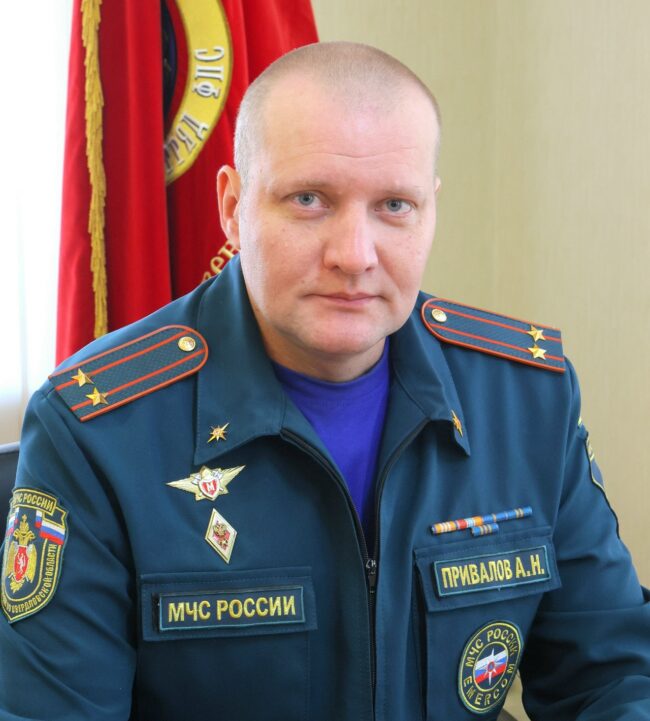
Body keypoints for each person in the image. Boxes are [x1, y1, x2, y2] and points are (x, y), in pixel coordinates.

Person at [1, 41, 648, 721]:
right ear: (232, 206)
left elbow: (612, 679)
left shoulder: (525, 401)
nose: (354, 255)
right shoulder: (99, 433)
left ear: (431, 209)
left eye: (394, 205)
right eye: (309, 199)